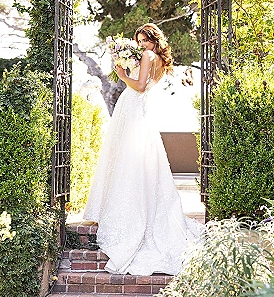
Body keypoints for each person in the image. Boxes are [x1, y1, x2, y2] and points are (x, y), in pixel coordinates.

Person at [83, 23, 202, 276]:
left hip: (135, 107)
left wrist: (122, 74)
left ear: (152, 40)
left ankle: (128, 211)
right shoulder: (158, 58)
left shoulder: (148, 56)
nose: (141, 46)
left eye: (144, 41)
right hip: (140, 109)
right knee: (140, 159)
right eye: (138, 42)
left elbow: (138, 86)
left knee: (130, 158)